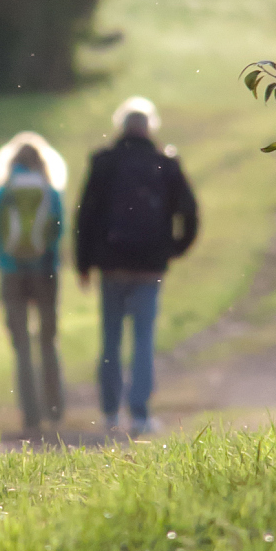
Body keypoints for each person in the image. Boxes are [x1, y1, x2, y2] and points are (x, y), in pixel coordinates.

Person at [73, 96, 199, 437]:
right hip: (149, 267)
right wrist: (174, 250)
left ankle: (111, 414)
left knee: (110, 339)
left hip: (111, 266)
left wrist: (83, 263)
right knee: (144, 339)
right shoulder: (165, 164)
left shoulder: (104, 162)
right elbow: (189, 212)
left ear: (120, 127)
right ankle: (140, 415)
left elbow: (86, 216)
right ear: (150, 128)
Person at [0, 131, 68, 440]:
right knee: (47, 341)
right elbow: (57, 230)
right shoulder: (49, 190)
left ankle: (30, 415)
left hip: (11, 274)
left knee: (21, 345)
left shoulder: (3, 191)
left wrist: (7, 259)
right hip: (45, 271)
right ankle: (55, 409)